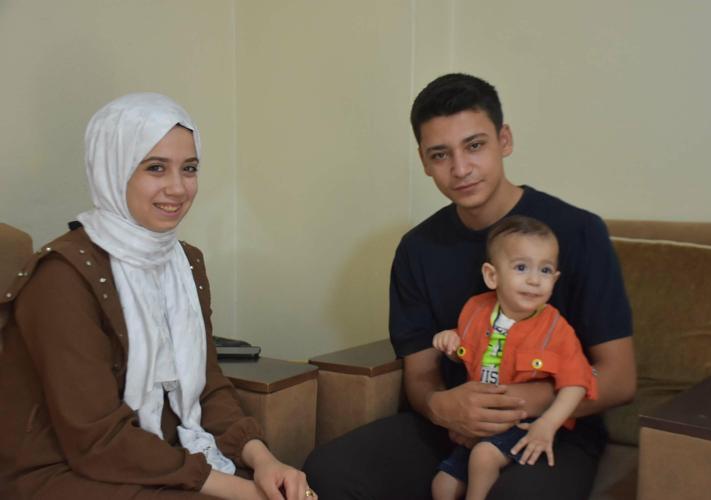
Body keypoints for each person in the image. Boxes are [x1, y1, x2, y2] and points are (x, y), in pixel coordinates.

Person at [304, 73, 635, 499]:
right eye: (440, 154)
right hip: (451, 427)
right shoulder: (417, 249)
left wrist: (517, 402)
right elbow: (420, 374)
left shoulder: (578, 231)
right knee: (327, 471)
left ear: (504, 140)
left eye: (474, 146)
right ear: (424, 162)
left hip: (554, 428)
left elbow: (620, 377)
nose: (460, 169)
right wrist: (440, 405)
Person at [0, 93, 315, 500]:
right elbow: (95, 438)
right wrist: (240, 490)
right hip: (63, 471)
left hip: (160, 455)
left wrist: (263, 460)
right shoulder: (61, 276)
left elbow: (208, 386)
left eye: (189, 168)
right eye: (155, 168)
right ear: (113, 169)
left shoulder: (184, 262)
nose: (178, 188)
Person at [431, 215, 597, 500]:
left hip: (527, 423)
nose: (534, 280)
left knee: (483, 457)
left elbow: (577, 382)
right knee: (442, 484)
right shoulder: (475, 310)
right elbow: (467, 355)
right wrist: (452, 341)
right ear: (492, 276)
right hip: (483, 420)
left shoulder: (556, 329)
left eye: (545, 270)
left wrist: (548, 424)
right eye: (521, 267)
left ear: (555, 280)